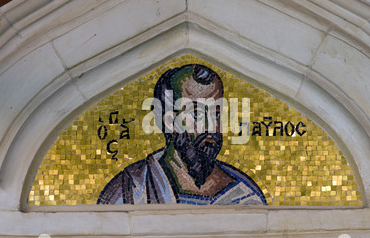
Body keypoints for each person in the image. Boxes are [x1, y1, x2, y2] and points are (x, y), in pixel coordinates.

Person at [97, 64, 267, 205]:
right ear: (170, 121)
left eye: (216, 114)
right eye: (197, 114)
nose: (210, 127)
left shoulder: (246, 195)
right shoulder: (131, 190)